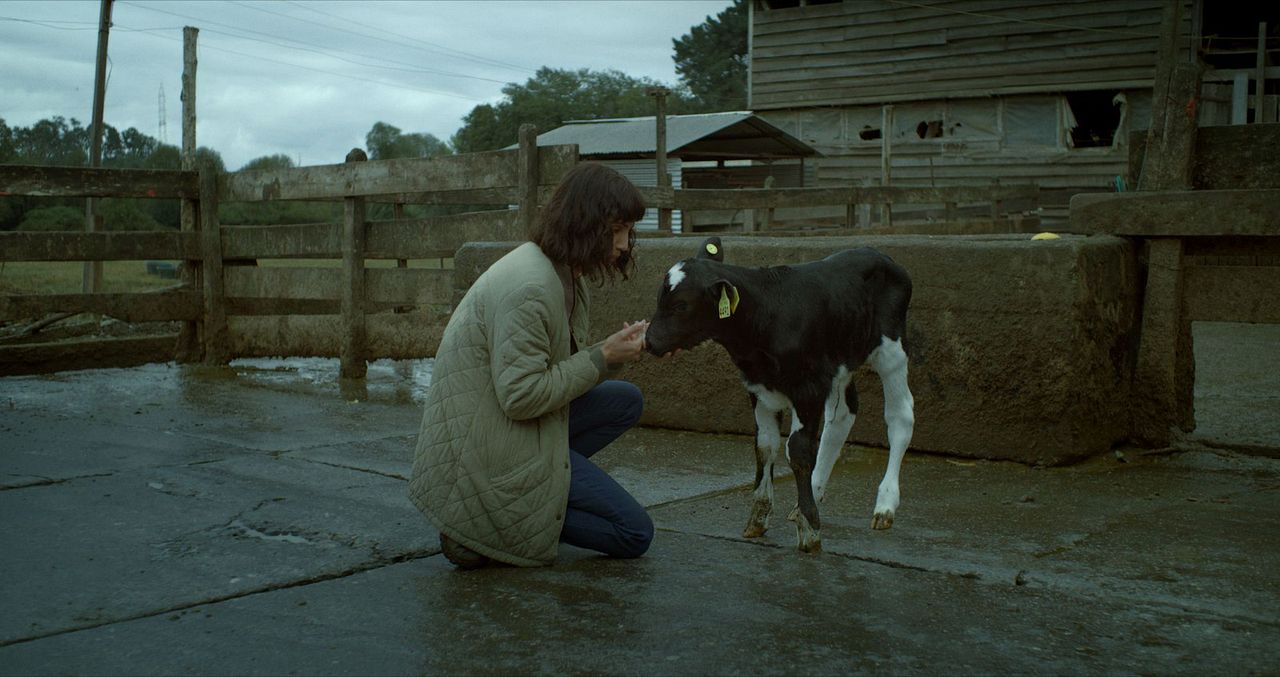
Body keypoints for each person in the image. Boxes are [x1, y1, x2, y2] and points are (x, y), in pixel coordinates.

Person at [408, 162, 654, 569]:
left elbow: (551, 372)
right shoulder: (531, 287)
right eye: (616, 231)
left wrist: (613, 355)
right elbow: (521, 397)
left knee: (625, 400)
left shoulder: (564, 273)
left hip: (503, 427)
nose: (626, 244)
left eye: (628, 230)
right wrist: (600, 357)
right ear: (585, 224)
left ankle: (533, 499)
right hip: (491, 450)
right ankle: (492, 525)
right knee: (635, 533)